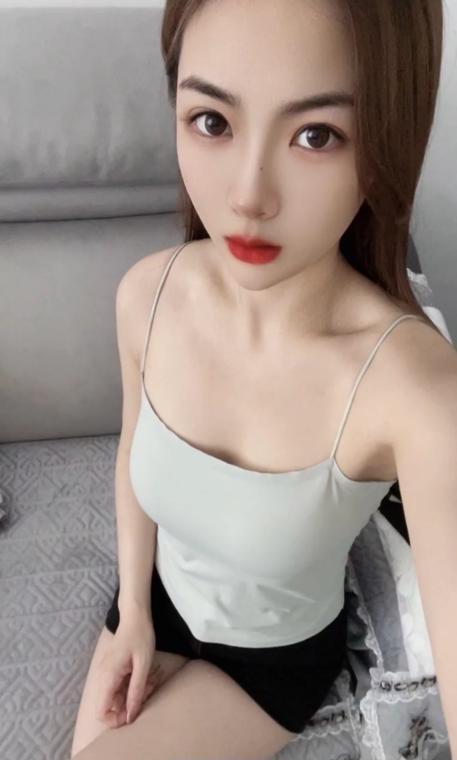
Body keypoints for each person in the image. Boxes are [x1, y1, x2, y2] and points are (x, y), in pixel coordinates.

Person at [71, 1, 455, 759]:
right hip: (153, 604)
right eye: (212, 121)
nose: (248, 196)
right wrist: (135, 613)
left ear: (386, 139)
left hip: (270, 663)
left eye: (316, 135)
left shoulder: (414, 390)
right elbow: (131, 452)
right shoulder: (145, 296)